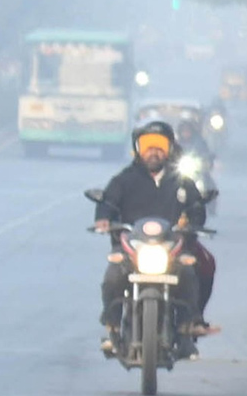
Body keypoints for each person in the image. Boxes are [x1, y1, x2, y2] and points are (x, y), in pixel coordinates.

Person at [93, 120, 217, 354]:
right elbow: (107, 203)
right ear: (138, 149)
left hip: (173, 246)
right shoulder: (124, 179)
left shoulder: (181, 181)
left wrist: (192, 222)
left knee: (191, 272)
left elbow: (196, 208)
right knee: (113, 276)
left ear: (169, 148)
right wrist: (103, 219)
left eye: (159, 145)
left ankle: (188, 324)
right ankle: (113, 328)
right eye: (148, 145)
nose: (154, 151)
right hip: (132, 247)